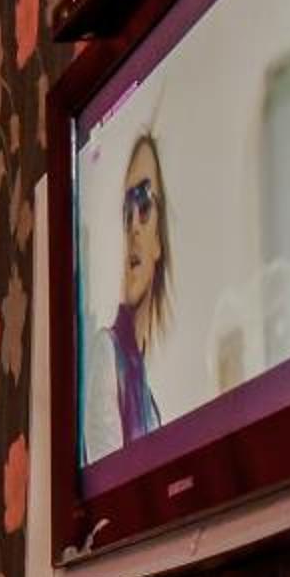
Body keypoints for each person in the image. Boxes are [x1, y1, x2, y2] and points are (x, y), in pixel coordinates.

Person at [111, 131, 173, 442]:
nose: (134, 224)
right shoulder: (106, 352)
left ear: (159, 239)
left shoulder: (151, 402)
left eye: (144, 202)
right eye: (127, 210)